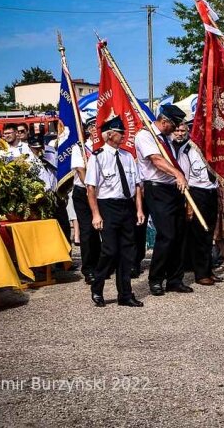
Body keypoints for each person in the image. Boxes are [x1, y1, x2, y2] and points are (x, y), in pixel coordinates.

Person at [85, 117, 145, 308]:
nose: (123, 136)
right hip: (107, 206)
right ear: (110, 134)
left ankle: (125, 294)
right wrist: (96, 214)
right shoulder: (98, 156)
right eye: (120, 133)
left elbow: (136, 185)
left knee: (128, 252)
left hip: (126, 206)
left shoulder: (127, 156)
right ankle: (97, 286)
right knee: (110, 250)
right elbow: (91, 188)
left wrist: (139, 209)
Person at [135, 104, 190, 297]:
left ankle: (175, 279)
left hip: (173, 189)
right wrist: (178, 174)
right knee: (166, 235)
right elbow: (157, 160)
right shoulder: (146, 135)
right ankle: (156, 278)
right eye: (173, 125)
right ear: (164, 120)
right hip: (157, 190)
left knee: (179, 235)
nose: (176, 129)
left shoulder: (167, 138)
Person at [177, 119, 222, 286]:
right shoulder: (186, 150)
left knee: (209, 232)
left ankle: (208, 269)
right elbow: (185, 178)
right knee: (199, 234)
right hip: (197, 193)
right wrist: (188, 204)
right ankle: (201, 273)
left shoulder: (211, 148)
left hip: (211, 191)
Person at [71, 117, 101, 283]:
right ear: (89, 130)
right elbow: (81, 172)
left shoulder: (103, 148)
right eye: (95, 127)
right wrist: (91, 187)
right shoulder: (80, 148)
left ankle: (101, 264)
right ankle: (89, 269)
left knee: (101, 230)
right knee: (88, 231)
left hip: (102, 193)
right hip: (84, 193)